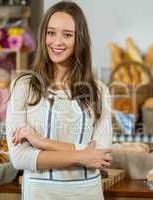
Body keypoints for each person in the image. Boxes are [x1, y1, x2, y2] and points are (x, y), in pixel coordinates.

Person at [6, 1, 112, 199]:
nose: (57, 42)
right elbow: (19, 158)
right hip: (40, 193)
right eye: (51, 32)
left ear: (79, 39)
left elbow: (101, 156)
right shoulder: (23, 86)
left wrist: (41, 142)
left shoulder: (99, 91)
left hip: (87, 193)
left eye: (67, 35)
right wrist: (83, 156)